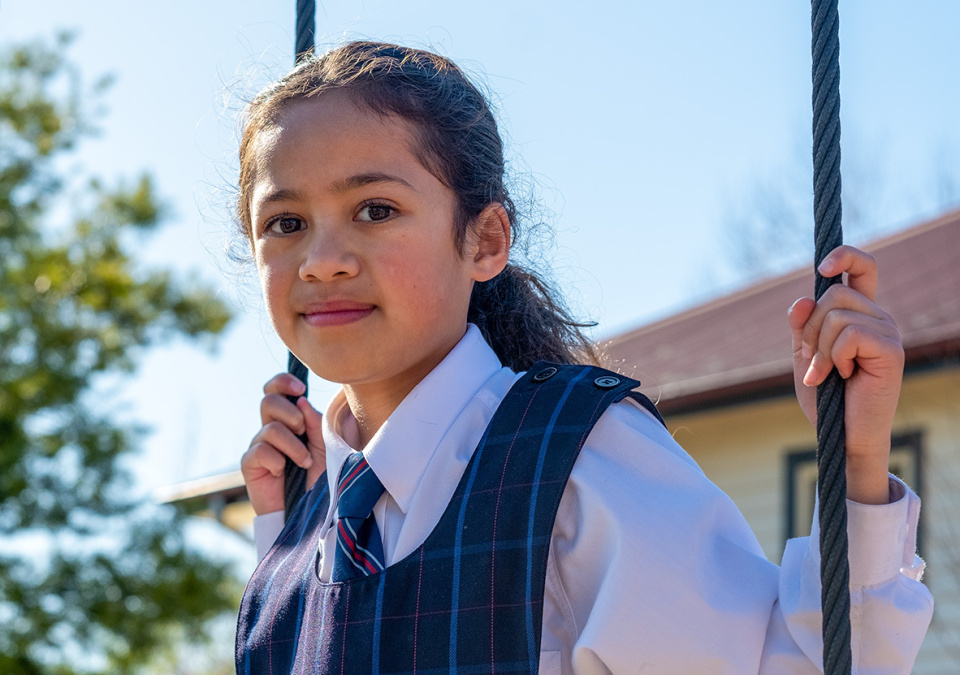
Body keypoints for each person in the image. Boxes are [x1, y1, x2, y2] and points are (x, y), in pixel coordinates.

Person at [234, 41, 932, 674]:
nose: (322, 262)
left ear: (485, 241)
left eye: (375, 209)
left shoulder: (575, 458)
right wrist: (285, 538)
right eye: (285, 224)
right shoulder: (300, 526)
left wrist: (859, 461)